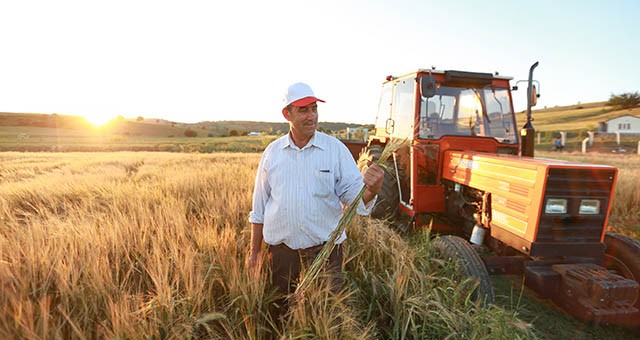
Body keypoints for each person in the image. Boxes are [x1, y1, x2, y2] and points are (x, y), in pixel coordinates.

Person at [246, 82, 385, 321]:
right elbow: (259, 208)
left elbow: (355, 199)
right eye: (303, 110)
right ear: (287, 114)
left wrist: (372, 189)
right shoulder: (272, 153)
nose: (311, 116)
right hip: (282, 255)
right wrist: (255, 252)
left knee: (328, 317)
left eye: (314, 109)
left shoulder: (335, 150)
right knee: (282, 314)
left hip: (326, 253)